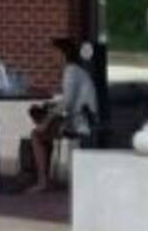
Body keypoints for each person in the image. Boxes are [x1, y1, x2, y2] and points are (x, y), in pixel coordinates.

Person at [25, 38, 98, 193]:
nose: (52, 56)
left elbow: (68, 102)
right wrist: (50, 110)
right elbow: (69, 99)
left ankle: (42, 182)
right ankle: (45, 177)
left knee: (36, 134)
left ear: (62, 53)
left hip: (81, 121)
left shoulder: (70, 70)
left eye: (54, 52)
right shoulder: (75, 70)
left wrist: (48, 118)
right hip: (81, 116)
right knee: (42, 123)